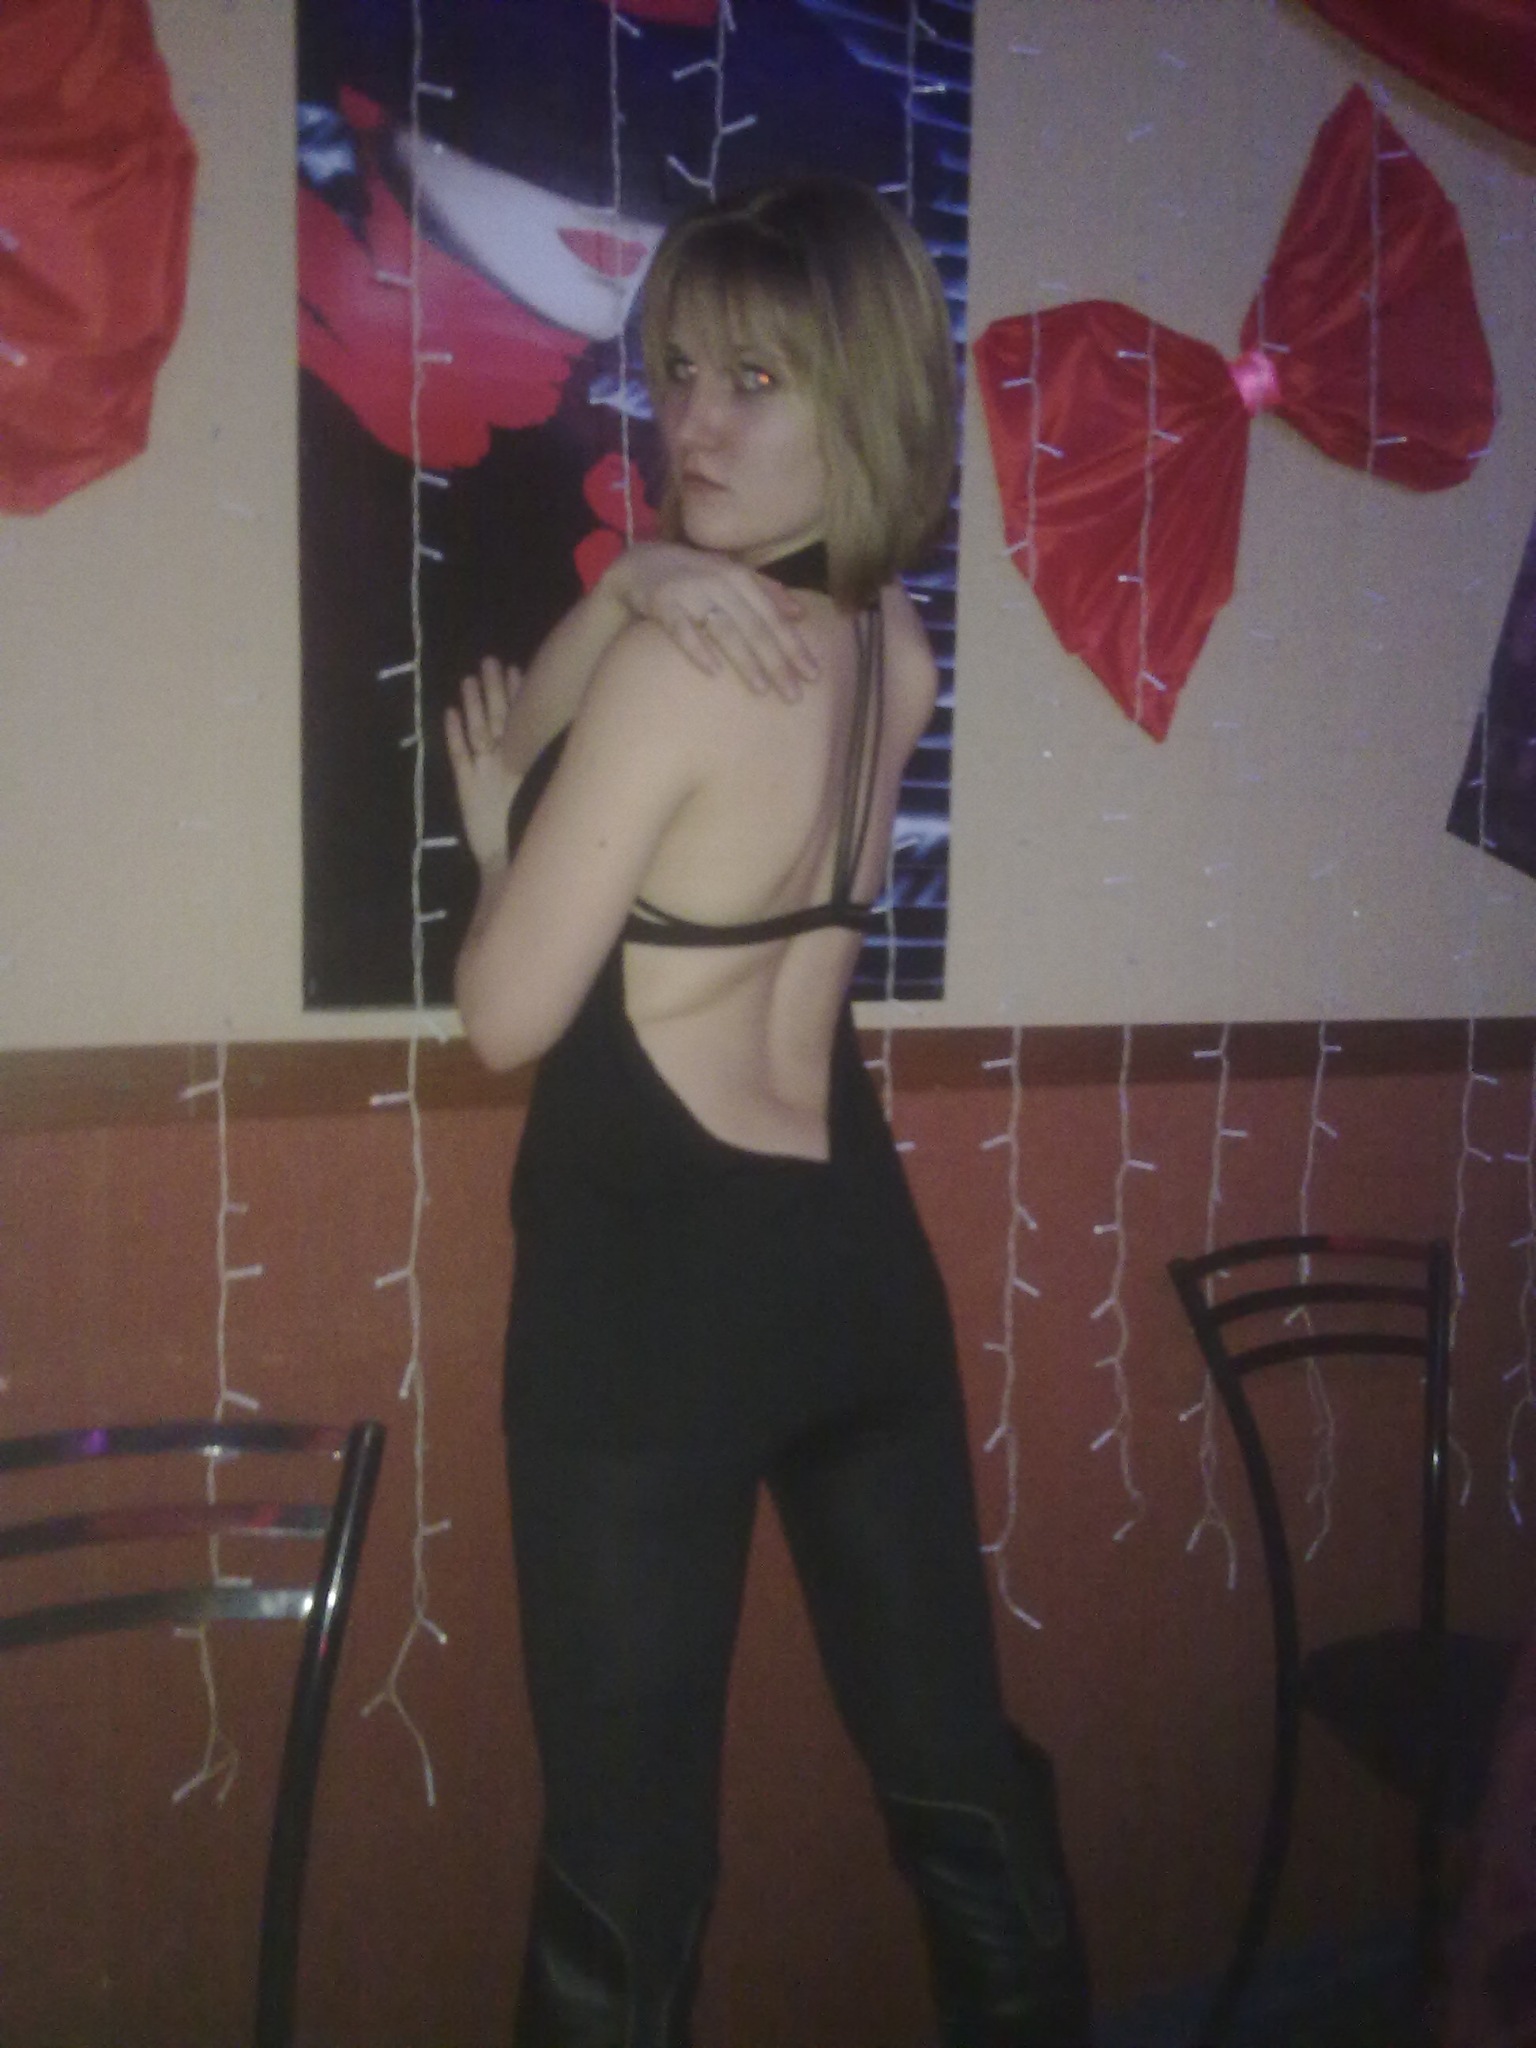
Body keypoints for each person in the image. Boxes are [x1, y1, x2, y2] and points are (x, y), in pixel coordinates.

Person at [447, 175, 1091, 2048]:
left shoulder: (682, 677)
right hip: (850, 1273)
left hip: (652, 1306)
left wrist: (496, 854)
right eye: (676, 374)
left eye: (754, 379)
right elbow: (563, 732)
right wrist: (638, 576)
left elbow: (501, 1018)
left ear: (858, 395)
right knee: (959, 1789)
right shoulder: (898, 649)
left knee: (627, 1876)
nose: (694, 423)